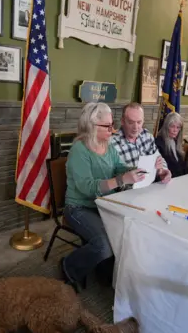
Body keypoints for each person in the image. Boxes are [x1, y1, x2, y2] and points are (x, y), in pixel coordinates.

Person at [62, 102, 146, 291]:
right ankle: (69, 266)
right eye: (107, 126)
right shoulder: (79, 150)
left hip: (105, 203)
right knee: (104, 245)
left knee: (132, 228)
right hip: (79, 207)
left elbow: (119, 168)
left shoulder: (108, 146)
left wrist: (139, 170)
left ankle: (104, 270)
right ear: (92, 126)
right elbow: (86, 188)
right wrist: (120, 180)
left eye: (112, 124)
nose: (113, 129)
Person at [110, 102, 171, 184]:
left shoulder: (147, 136)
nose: (135, 127)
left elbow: (159, 159)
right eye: (131, 122)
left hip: (150, 186)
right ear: (122, 121)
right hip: (126, 192)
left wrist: (163, 170)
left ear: (143, 121)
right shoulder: (112, 143)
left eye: (139, 122)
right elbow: (110, 178)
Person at [155, 112, 188, 177]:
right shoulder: (158, 143)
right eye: (172, 126)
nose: (175, 130)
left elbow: (181, 166)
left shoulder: (175, 142)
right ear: (166, 127)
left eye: (178, 127)